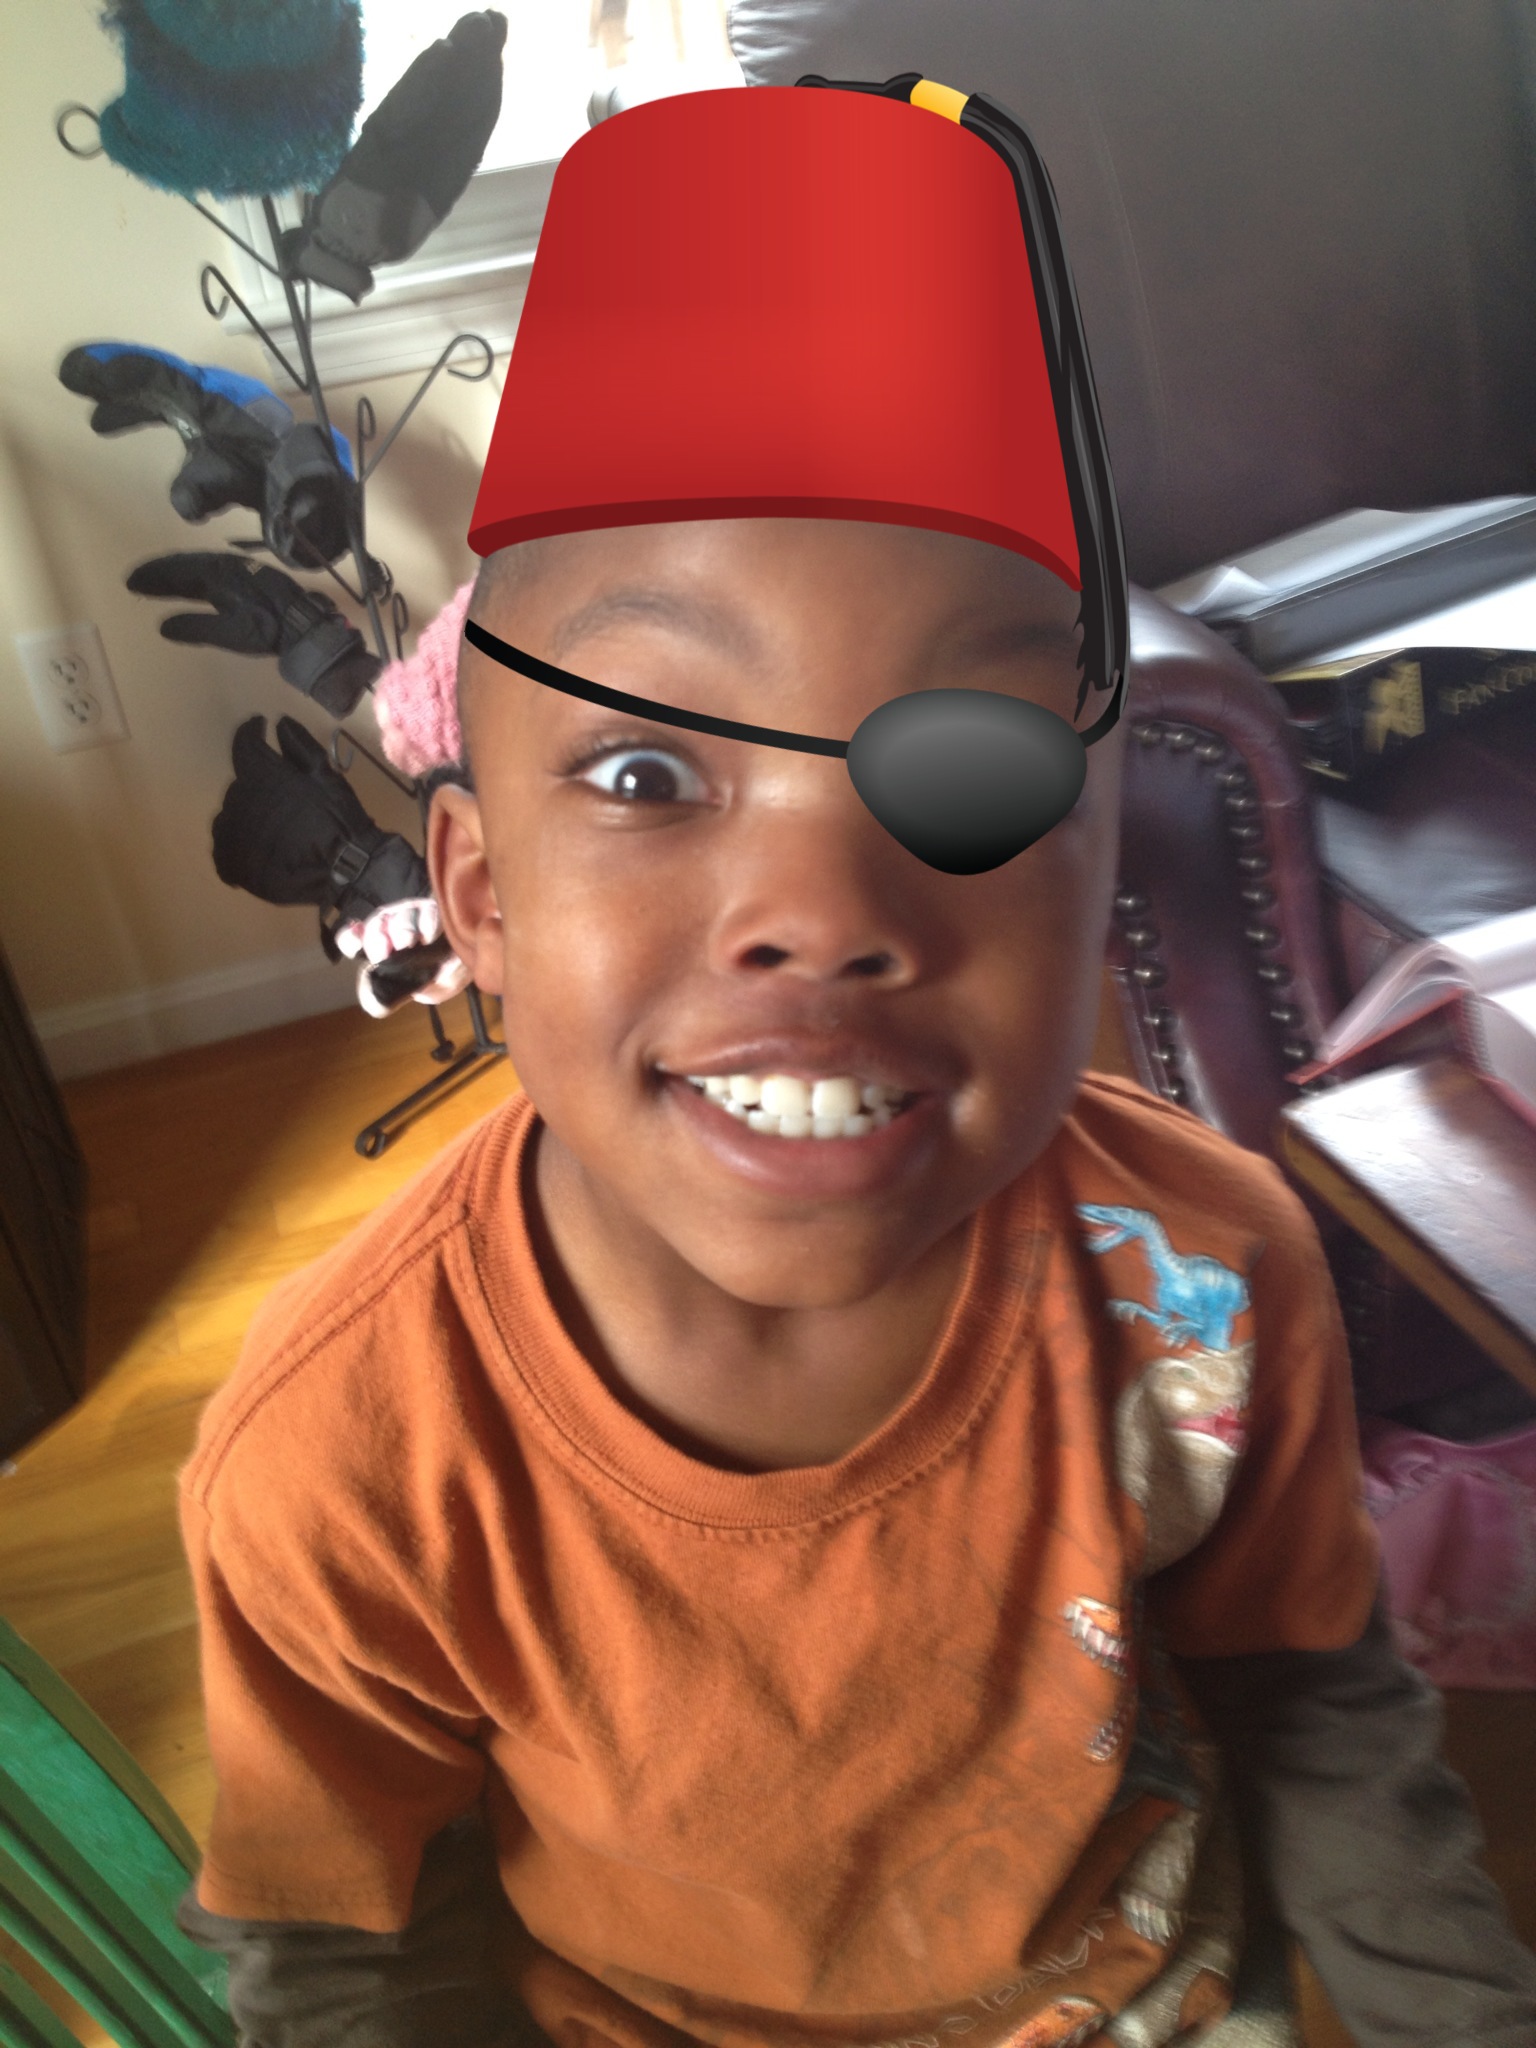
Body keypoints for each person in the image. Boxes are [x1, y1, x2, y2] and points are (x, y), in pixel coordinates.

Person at [175, 76, 1536, 2048]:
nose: (821, 913)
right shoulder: (344, 1455)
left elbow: (1314, 1697)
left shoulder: (1215, 1278)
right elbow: (351, 1952)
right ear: (476, 891)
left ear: (1098, 870)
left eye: (968, 776)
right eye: (649, 773)